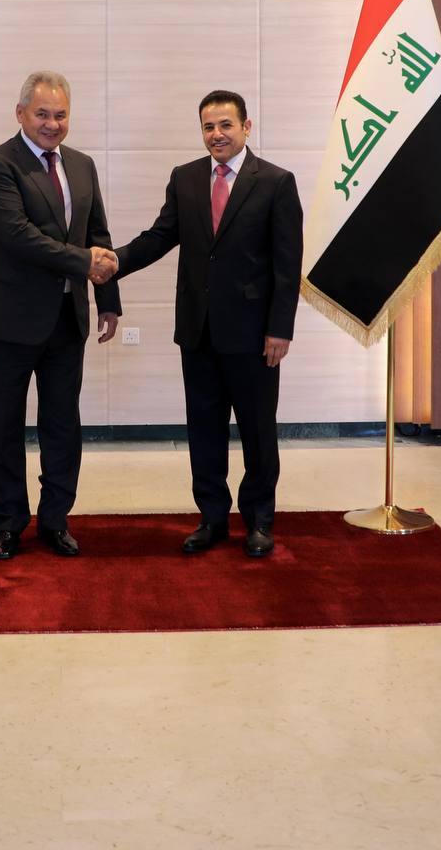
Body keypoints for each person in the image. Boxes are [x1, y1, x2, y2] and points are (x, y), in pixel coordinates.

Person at [112, 90, 303, 558]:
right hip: (197, 331)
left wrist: (280, 328)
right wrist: (115, 262)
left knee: (258, 431)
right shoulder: (186, 178)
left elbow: (287, 264)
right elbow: (160, 237)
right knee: (203, 431)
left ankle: (259, 520)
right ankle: (212, 518)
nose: (216, 135)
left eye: (225, 125)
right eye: (208, 127)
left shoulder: (275, 182)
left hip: (255, 335)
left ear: (246, 127)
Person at [0, 71, 119, 561]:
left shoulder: (82, 165)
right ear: (20, 114)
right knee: (2, 427)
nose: (52, 124)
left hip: (66, 319)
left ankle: (55, 520)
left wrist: (108, 299)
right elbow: (17, 235)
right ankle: (9, 522)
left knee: (62, 426)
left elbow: (97, 234)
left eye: (61, 115)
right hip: (8, 320)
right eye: (42, 114)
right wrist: (84, 262)